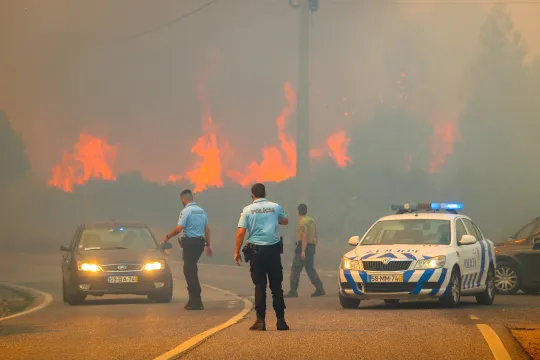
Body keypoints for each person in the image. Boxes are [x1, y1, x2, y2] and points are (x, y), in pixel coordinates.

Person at [234, 183, 290, 331]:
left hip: (256, 253)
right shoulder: (275, 207)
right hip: (273, 251)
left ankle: (260, 321)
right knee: (276, 286)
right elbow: (285, 221)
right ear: (265, 193)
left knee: (260, 286)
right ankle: (281, 321)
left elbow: (240, 233)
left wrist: (236, 252)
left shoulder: (247, 210)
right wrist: (271, 219)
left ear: (252, 195)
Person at [164, 189, 212, 310]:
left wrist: (167, 236)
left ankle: (195, 300)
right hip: (200, 243)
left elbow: (179, 228)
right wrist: (208, 245)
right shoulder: (201, 211)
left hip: (190, 243)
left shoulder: (186, 211)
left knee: (188, 270)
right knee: (192, 268)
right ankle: (194, 299)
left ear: (183, 199)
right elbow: (207, 230)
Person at [285, 204, 325, 298]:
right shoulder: (311, 220)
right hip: (311, 246)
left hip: (304, 246)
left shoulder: (302, 222)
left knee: (295, 269)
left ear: (298, 211)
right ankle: (319, 288)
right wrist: (314, 245)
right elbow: (315, 234)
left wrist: (303, 251)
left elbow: (304, 235)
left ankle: (293, 291)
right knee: (310, 268)